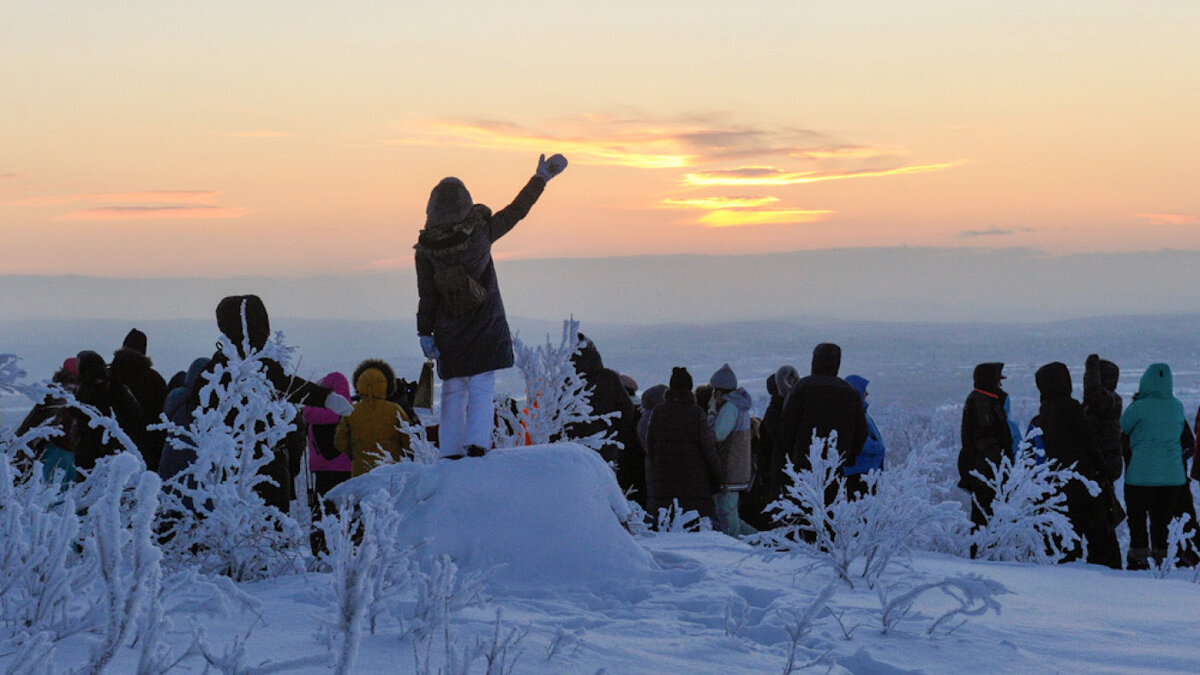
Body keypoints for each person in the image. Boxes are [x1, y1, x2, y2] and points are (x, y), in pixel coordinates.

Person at [414, 153, 568, 459]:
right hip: (485, 322)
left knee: (454, 388)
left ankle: (449, 449)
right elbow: (516, 211)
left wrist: (424, 332)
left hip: (448, 328)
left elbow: (427, 295)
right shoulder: (481, 234)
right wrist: (540, 178)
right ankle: (478, 442)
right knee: (483, 384)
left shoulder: (426, 249)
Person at [194, 295, 353, 513]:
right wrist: (325, 398)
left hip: (226, 467)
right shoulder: (256, 368)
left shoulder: (212, 372)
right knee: (272, 532)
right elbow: (288, 386)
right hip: (266, 464)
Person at [1034, 362, 1120, 568]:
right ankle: (1110, 577)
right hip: (1084, 481)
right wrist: (1102, 471)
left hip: (1057, 485)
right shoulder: (1071, 408)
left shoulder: (1043, 413)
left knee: (1064, 542)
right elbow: (1089, 442)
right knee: (1101, 539)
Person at [1120, 363, 1189, 569]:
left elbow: (1123, 426)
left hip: (1140, 475)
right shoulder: (1177, 407)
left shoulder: (1139, 407)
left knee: (1138, 518)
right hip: (1171, 476)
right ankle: (1163, 556)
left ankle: (1139, 556)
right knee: (1162, 519)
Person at [778, 343, 868, 487]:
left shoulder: (801, 387)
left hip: (803, 462)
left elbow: (787, 424)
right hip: (835, 464)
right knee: (831, 507)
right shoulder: (850, 392)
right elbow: (861, 430)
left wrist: (791, 452)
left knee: (803, 506)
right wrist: (849, 456)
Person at [644, 367, 723, 525]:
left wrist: (657, 467)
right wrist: (717, 475)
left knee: (666, 520)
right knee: (692, 521)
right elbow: (708, 447)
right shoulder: (696, 413)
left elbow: (650, 444)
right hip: (694, 479)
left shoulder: (659, 412)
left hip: (664, 477)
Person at [958, 362, 1013, 544]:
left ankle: (984, 550)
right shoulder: (982, 402)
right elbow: (986, 437)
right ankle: (983, 553)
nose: (1000, 385)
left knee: (985, 516)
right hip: (986, 471)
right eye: (998, 381)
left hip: (985, 469)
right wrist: (1000, 465)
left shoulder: (983, 400)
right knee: (984, 517)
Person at [563, 333, 635, 464]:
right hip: (604, 446)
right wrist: (613, 431)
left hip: (571, 449)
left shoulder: (564, 381)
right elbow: (626, 409)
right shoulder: (609, 378)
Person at [336, 360, 412, 477]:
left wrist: (356, 452)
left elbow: (340, 443)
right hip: (391, 473)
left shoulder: (350, 411)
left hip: (361, 474)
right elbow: (409, 441)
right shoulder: (395, 410)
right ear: (386, 384)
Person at [71, 350, 142, 475]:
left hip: (89, 452)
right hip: (115, 449)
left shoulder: (86, 390)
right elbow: (135, 413)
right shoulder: (115, 385)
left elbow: (77, 414)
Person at [109, 328, 168, 472]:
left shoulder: (109, 375)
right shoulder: (155, 380)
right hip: (145, 450)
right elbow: (161, 419)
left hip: (110, 448)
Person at [707, 363, 756, 537]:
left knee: (728, 513)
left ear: (718, 391)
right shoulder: (741, 407)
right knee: (730, 511)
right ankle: (761, 539)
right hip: (739, 466)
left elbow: (717, 435)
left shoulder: (729, 408)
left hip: (730, 467)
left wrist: (712, 413)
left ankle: (741, 543)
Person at [842, 375, 886, 498]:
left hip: (865, 472)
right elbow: (859, 440)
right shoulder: (852, 414)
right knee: (861, 512)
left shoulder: (859, 412)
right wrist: (879, 448)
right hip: (859, 473)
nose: (867, 394)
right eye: (864, 391)